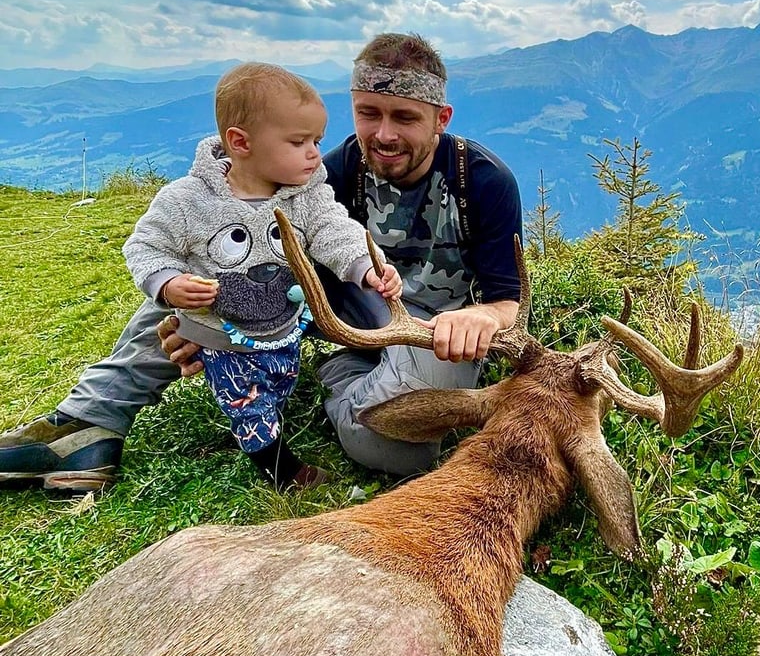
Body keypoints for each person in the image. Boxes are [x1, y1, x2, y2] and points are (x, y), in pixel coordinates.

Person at [0, 33, 522, 491]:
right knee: (207, 273)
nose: (383, 135)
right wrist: (201, 323)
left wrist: (482, 318)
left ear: (441, 119)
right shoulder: (332, 169)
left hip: (425, 332)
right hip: (332, 311)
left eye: (405, 117)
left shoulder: (479, 181)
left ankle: (338, 380)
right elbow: (233, 233)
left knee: (396, 450)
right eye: (369, 113)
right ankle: (89, 424)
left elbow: (505, 300)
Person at [121, 62, 402, 490]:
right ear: (240, 142)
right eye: (298, 141)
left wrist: (369, 267)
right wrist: (168, 282)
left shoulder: (305, 194)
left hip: (283, 327)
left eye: (316, 141)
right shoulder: (188, 201)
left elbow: (336, 231)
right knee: (247, 402)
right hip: (221, 337)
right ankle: (281, 470)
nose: (313, 153)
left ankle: (267, 419)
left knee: (276, 383)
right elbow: (144, 246)